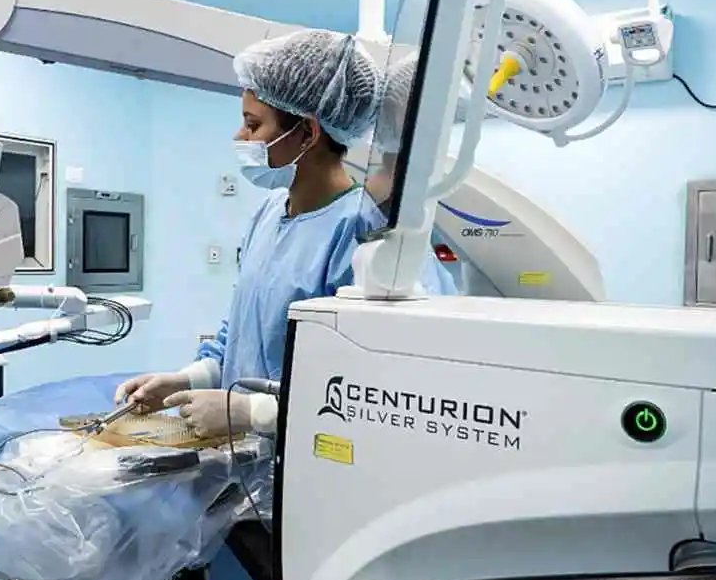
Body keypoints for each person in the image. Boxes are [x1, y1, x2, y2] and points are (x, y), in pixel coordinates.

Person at [114, 29, 459, 439]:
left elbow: (387, 387)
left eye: (253, 124)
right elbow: (244, 335)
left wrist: (256, 412)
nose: (239, 137)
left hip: (316, 461)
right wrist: (187, 379)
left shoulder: (367, 233)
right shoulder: (269, 213)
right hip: (249, 461)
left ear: (308, 134)